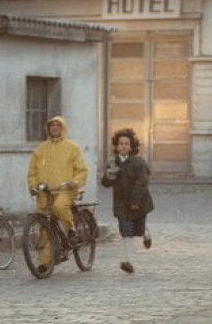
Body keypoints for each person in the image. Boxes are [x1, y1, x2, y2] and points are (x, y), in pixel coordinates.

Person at [27, 115, 89, 270]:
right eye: (52, 125)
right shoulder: (40, 149)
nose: (54, 128)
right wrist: (33, 185)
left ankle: (71, 229)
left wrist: (74, 182)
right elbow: (32, 172)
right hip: (45, 191)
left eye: (58, 125)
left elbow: (82, 170)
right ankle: (45, 262)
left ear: (63, 128)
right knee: (43, 225)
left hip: (65, 190)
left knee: (59, 207)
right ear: (48, 128)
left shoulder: (72, 147)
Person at [101, 128, 154, 274]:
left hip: (139, 202)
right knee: (125, 232)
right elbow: (105, 184)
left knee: (138, 230)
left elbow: (142, 182)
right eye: (121, 144)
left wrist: (135, 201)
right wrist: (109, 175)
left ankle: (145, 233)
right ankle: (129, 262)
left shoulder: (139, 163)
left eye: (126, 144)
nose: (123, 146)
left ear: (131, 147)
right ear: (116, 146)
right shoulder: (113, 164)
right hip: (121, 204)